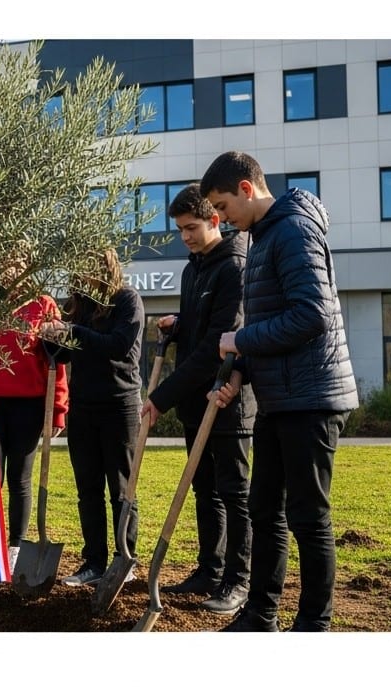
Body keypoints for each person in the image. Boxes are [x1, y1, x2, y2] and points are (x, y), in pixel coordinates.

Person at [202, 151, 359, 633]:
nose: (221, 219)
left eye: (224, 206)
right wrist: (239, 372)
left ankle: (313, 625)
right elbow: (274, 323)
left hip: (311, 397)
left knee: (308, 517)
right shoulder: (261, 238)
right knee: (264, 508)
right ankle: (260, 615)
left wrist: (239, 341)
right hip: (279, 395)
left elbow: (311, 315)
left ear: (247, 189)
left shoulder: (292, 230)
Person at [140, 183, 257, 617]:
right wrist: (178, 322)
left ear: (214, 220)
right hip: (197, 402)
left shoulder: (234, 267)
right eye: (180, 230)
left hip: (227, 398)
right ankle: (210, 569)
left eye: (192, 227)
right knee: (204, 491)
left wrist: (161, 396)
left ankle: (238, 581)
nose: (185, 236)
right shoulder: (194, 270)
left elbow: (219, 342)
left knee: (233, 493)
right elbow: (198, 326)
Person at [39, 248, 144, 587]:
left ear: (104, 266)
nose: (81, 273)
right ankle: (93, 562)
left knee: (121, 488)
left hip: (120, 406)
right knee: (88, 489)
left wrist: (73, 332)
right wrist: (52, 341)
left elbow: (117, 346)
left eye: (86, 266)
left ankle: (125, 559)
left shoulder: (127, 301)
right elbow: (67, 356)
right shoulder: (79, 305)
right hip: (83, 407)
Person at [0, 276, 69, 581]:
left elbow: (57, 362)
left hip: (30, 405)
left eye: (16, 263)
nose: (9, 271)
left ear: (26, 266)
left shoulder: (44, 305)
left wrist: (58, 411)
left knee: (20, 479)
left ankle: (14, 550)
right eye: (4, 264)